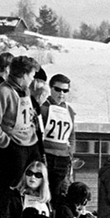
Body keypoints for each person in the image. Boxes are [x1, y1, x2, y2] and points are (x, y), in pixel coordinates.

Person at [0, 56, 42, 218]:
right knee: (10, 193)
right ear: (23, 75)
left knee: (33, 187)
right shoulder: (3, 92)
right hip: (13, 148)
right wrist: (6, 141)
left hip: (30, 144)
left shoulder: (25, 91)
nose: (33, 79)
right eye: (31, 75)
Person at [40, 72, 76, 203]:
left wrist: (70, 152)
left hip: (63, 159)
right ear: (51, 88)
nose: (61, 94)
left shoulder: (69, 110)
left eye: (65, 90)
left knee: (59, 196)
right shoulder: (43, 108)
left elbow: (71, 135)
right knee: (43, 193)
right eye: (58, 89)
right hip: (46, 157)